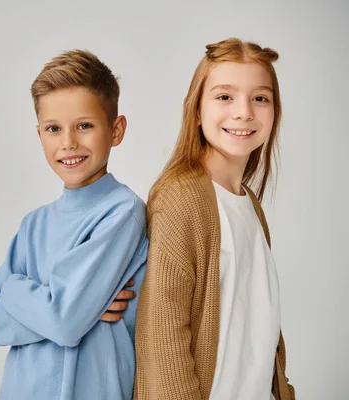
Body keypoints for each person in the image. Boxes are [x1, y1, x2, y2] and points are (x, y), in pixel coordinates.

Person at [0, 49, 147, 400]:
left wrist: (14, 289)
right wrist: (80, 308)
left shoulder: (121, 213)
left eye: (84, 126)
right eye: (54, 128)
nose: (68, 142)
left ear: (116, 130)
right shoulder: (34, 224)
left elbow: (66, 322)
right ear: (40, 134)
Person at [134, 38, 295, 400]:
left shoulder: (249, 204)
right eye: (225, 97)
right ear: (196, 110)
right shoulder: (183, 198)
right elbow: (162, 333)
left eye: (260, 98)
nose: (244, 112)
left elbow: (259, 324)